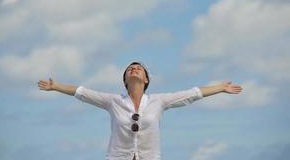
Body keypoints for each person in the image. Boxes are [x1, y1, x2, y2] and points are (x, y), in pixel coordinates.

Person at [38, 62, 242, 160]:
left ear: (146, 79)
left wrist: (221, 88)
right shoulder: (113, 101)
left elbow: (192, 94)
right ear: (125, 80)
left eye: (139, 68)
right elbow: (82, 92)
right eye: (130, 68)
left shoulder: (158, 101)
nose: (134, 69)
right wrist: (56, 87)